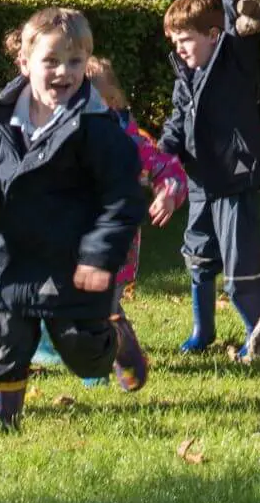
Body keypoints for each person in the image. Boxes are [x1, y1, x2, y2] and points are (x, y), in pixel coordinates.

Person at [0, 8, 147, 435]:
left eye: (75, 62)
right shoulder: (2, 120)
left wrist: (98, 255)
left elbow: (122, 196)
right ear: (24, 63)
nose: (63, 72)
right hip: (12, 255)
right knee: (3, 339)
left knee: (81, 351)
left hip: (72, 261)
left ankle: (116, 337)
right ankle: (3, 418)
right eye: (51, 61)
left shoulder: (95, 126)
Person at [158, 0, 260, 355]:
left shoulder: (232, 61)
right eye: (175, 41)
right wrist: (158, 158)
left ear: (213, 35)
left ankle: (257, 334)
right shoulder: (184, 76)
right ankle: (202, 330)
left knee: (240, 271)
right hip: (200, 182)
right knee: (198, 257)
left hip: (233, 178)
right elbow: (177, 123)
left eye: (185, 39)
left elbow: (233, 26)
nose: (179, 48)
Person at [75, 54, 188, 391]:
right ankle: (103, 354)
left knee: (103, 305)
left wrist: (168, 192)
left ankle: (122, 356)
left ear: (110, 103)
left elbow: (166, 166)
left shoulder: (130, 141)